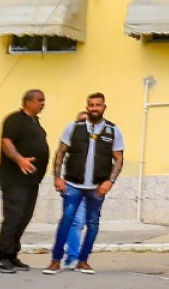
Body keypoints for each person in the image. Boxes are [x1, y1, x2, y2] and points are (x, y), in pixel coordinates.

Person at [48, 92, 124, 275]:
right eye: (91, 105)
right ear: (87, 107)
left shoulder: (113, 130)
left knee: (93, 223)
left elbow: (119, 159)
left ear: (104, 107)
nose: (94, 108)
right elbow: (60, 152)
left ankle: (83, 261)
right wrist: (57, 177)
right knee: (66, 221)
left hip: (97, 187)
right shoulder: (74, 127)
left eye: (98, 105)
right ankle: (55, 261)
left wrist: (110, 181)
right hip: (73, 184)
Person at [0, 89, 50, 273]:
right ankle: (0, 257)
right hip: (15, 179)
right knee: (13, 216)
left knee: (24, 217)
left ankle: (11, 254)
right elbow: (7, 143)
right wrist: (20, 160)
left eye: (43, 100)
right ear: (28, 102)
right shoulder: (15, 119)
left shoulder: (35, 123)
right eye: (40, 100)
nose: (42, 103)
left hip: (31, 181)